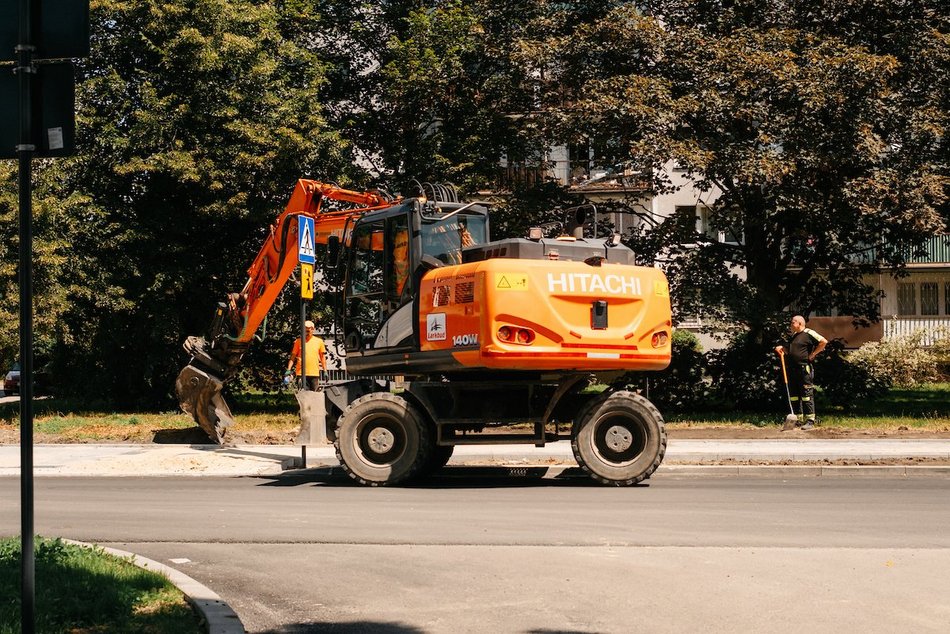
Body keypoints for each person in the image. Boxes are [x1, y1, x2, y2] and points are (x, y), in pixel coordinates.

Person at [774, 315, 827, 430]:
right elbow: (791, 352)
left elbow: (823, 341)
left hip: (804, 369)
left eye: (793, 322)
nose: (791, 324)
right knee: (794, 395)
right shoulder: (794, 336)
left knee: (806, 394)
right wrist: (782, 349)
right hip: (793, 369)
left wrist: (813, 354)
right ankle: (797, 419)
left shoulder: (809, 333)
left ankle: (810, 421)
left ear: (799, 323)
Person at [285, 320, 327, 390]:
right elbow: (293, 356)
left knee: (314, 394)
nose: (306, 332)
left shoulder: (319, 342)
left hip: (314, 373)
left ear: (312, 329)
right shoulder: (298, 341)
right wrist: (288, 369)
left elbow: (322, 357)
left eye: (308, 330)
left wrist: (325, 370)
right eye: (305, 330)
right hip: (301, 373)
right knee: (303, 393)